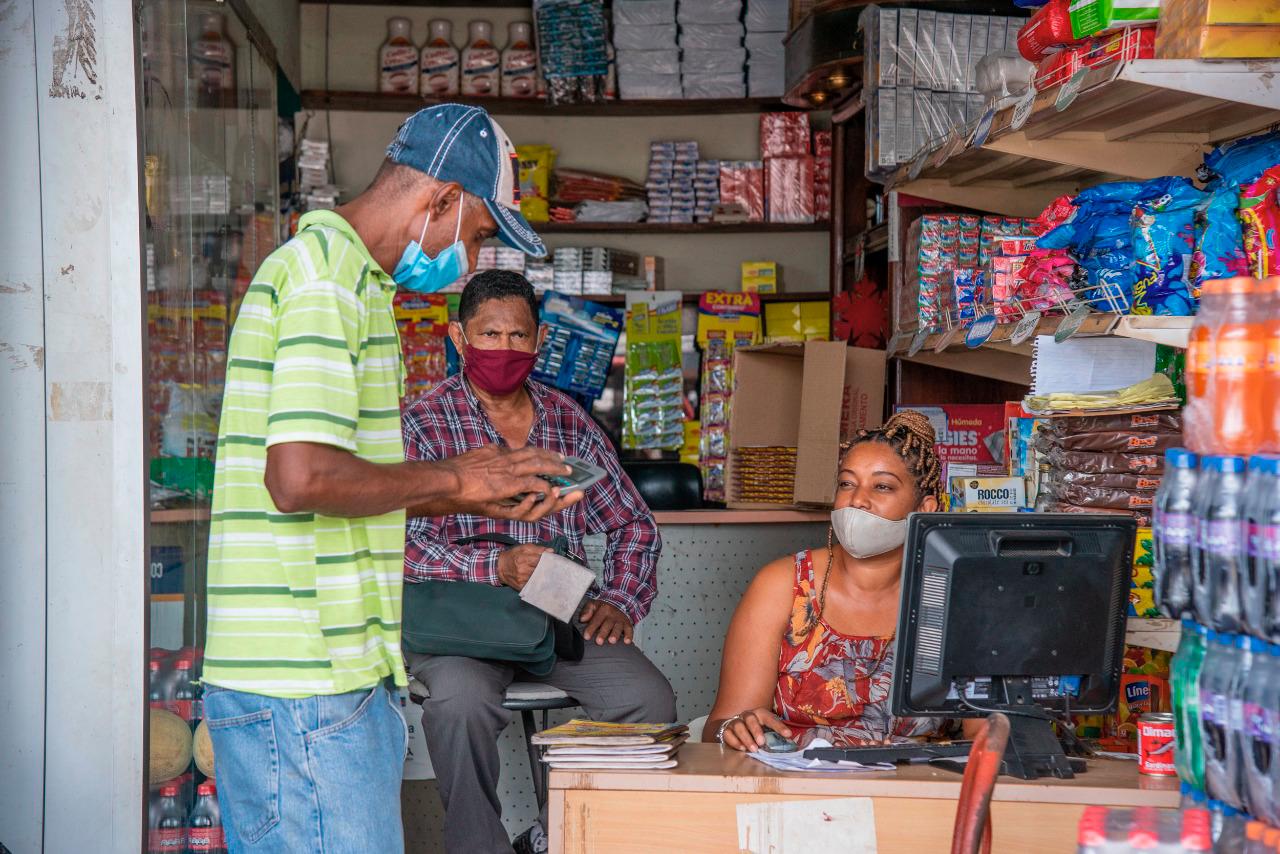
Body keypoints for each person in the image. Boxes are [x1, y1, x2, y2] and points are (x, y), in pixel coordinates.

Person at [200, 105, 578, 854]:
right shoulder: (323, 282)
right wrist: (455, 478)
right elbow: (299, 478)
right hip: (303, 682)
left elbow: (347, 477)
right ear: (438, 199)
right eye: (474, 235)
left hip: (328, 678)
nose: (470, 262)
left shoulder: (356, 285)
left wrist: (467, 487)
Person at [401, 270, 677, 854]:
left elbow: (633, 523)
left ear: (540, 340)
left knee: (647, 699)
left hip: (557, 612)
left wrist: (621, 602)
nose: (504, 349)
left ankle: (551, 837)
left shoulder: (568, 421)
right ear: (458, 336)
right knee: (459, 706)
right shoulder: (421, 424)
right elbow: (396, 545)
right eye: (489, 333)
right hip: (458, 624)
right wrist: (493, 570)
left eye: (518, 336)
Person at [704, 410, 975, 750]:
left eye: (883, 486)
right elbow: (721, 723)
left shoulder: (955, 597)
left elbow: (986, 738)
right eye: (847, 483)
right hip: (795, 790)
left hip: (918, 792)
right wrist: (733, 730)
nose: (858, 500)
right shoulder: (782, 586)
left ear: (926, 507)